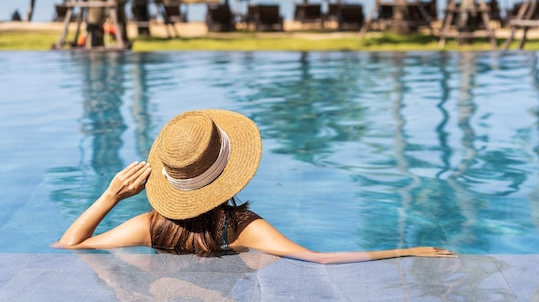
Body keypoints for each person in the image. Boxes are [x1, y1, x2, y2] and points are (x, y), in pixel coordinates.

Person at [56, 109, 457, 263]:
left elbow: (68, 245)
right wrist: (406, 250)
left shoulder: (151, 225)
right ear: (227, 168)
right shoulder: (239, 225)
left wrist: (110, 195)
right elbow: (319, 259)